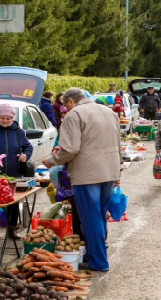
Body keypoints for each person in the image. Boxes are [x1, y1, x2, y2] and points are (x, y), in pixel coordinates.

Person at [42, 88, 122, 272]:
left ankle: (98, 262)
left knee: (90, 218)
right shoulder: (109, 112)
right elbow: (118, 145)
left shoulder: (74, 115)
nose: (65, 108)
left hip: (87, 174)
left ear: (70, 101)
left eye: (65, 104)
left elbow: (70, 149)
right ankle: (93, 254)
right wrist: (117, 172)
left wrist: (51, 161)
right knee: (99, 215)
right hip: (108, 171)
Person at [0, 104, 34, 240]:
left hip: (14, 172)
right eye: (2, 118)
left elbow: (28, 147)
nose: (5, 120)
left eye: (8, 118)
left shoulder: (19, 132)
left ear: (13, 118)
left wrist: (25, 156)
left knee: (13, 202)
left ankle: (13, 229)